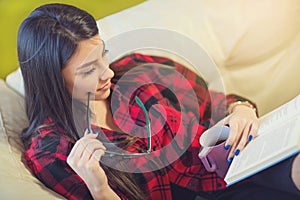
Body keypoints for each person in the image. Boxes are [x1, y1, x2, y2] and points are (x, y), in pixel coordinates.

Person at [17, 3, 300, 200]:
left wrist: (241, 109)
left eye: (103, 55)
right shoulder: (54, 153)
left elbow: (216, 105)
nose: (108, 72)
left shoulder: (139, 71)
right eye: (89, 70)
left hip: (237, 167)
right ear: (53, 80)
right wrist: (100, 188)